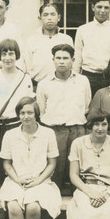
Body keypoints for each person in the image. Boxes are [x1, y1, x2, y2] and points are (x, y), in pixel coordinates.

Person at [0, 97, 61, 219]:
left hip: (40, 180)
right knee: (13, 206)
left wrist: (37, 181)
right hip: (15, 180)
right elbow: (6, 163)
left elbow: (52, 163)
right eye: (22, 113)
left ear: (36, 114)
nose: (26, 116)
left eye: (29, 112)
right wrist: (18, 179)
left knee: (33, 207)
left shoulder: (48, 133)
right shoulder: (10, 134)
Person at [0, 39, 34, 195]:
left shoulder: (25, 79)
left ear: (16, 55)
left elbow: (29, 109)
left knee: (16, 169)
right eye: (4, 54)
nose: (8, 57)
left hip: (17, 127)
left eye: (11, 53)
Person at [36, 43, 91, 193]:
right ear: (53, 60)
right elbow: (41, 111)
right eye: (58, 58)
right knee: (55, 172)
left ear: (73, 60)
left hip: (78, 130)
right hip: (54, 131)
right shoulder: (44, 83)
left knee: (78, 171)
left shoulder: (83, 81)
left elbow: (86, 106)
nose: (61, 61)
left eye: (65, 58)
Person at [73, 0, 110, 97]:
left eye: (106, 7)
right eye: (99, 7)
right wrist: (75, 79)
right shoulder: (83, 30)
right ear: (92, 7)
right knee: (89, 109)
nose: (102, 11)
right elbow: (78, 58)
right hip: (89, 76)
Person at [23, 3, 74, 89]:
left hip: (62, 85)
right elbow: (27, 66)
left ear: (58, 17)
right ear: (40, 18)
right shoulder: (32, 40)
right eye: (45, 15)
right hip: (37, 85)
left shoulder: (66, 39)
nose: (49, 18)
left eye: (52, 14)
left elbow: (71, 64)